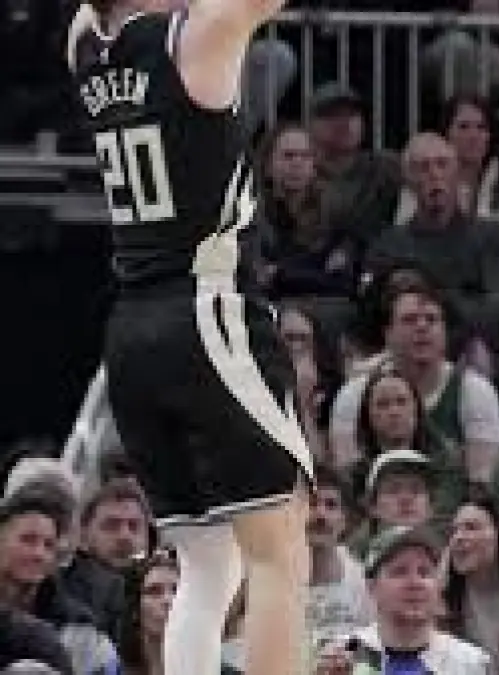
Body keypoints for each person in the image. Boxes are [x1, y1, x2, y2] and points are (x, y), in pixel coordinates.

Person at [64, 0, 312, 674]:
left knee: (209, 562)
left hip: (132, 328)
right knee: (280, 551)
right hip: (207, 313)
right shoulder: (198, 37)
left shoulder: (84, 44)